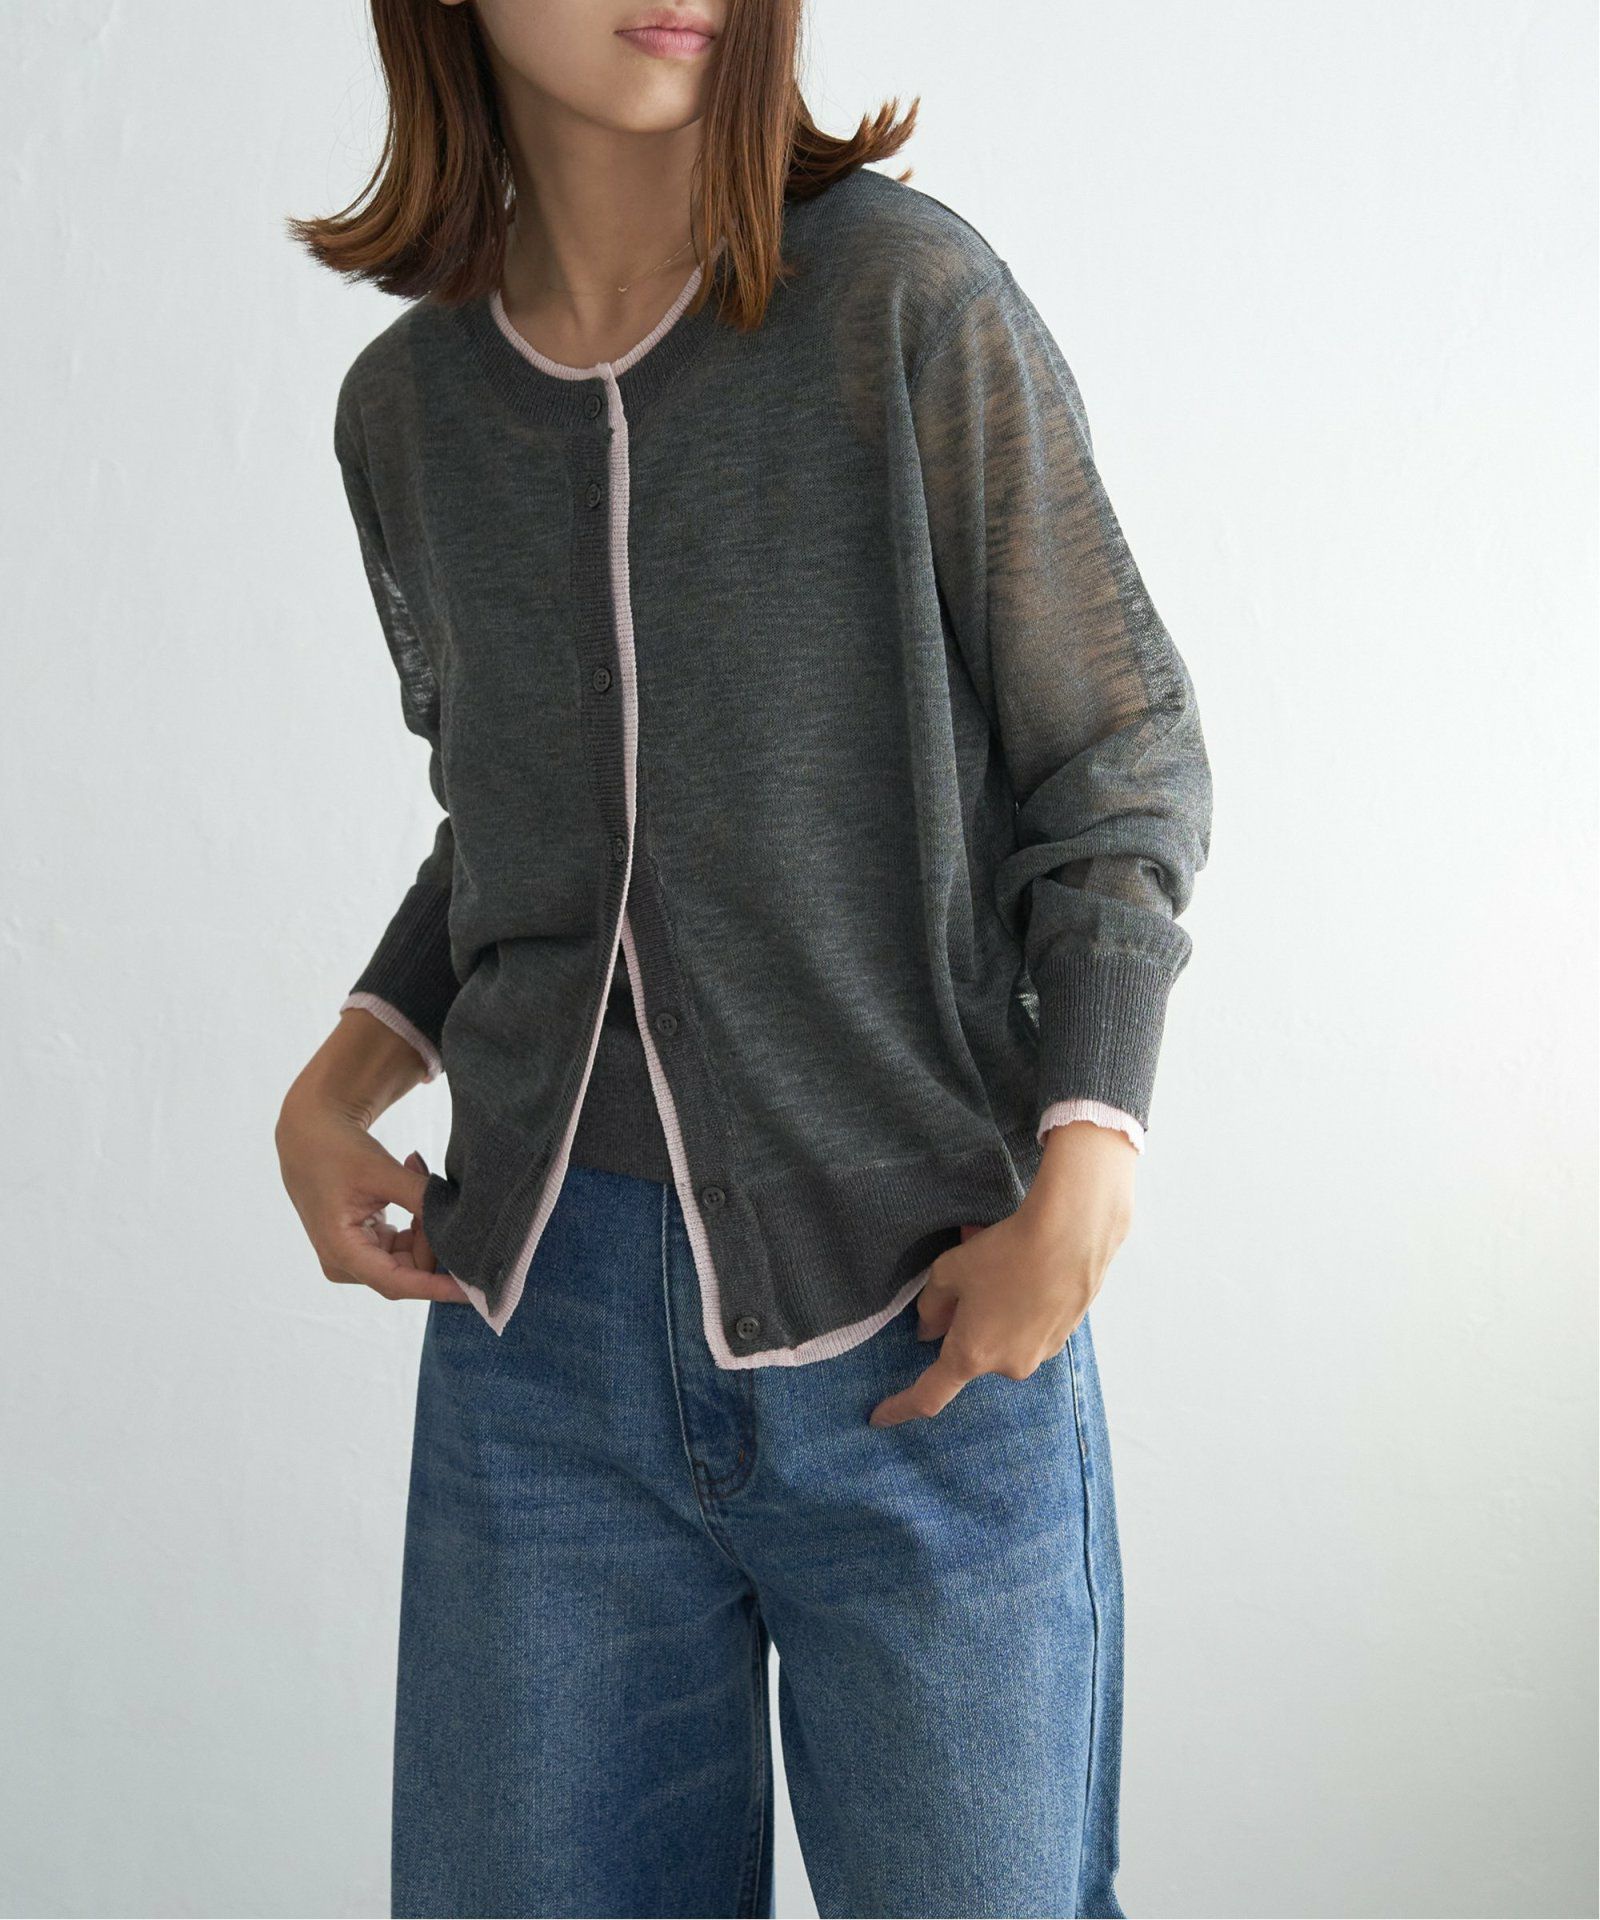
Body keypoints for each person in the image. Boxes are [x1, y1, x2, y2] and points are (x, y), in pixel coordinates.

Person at [276, 1, 1212, 1913]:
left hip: (921, 1321)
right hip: (538, 1351)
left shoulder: (906, 304)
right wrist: (341, 1080)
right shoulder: (408, 415)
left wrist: (1090, 1163)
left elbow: (1119, 755)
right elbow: (517, 834)